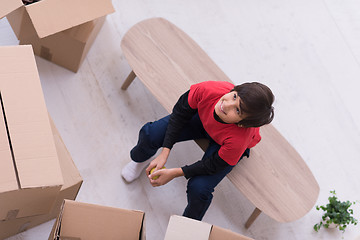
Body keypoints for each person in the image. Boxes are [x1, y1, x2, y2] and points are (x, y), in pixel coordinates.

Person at [121, 80, 274, 221]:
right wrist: (165, 151)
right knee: (151, 133)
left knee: (199, 188)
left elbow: (213, 165)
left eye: (238, 110)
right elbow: (180, 113)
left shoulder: (239, 140)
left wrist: (175, 173)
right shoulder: (209, 90)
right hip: (203, 119)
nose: (226, 104)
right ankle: (140, 160)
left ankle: (187, 226)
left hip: (224, 144)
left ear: (242, 123)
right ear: (233, 90)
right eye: (234, 96)